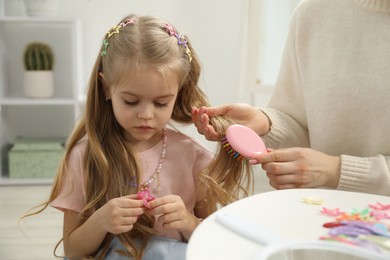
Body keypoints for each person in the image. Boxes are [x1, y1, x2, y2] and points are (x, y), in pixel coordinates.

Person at [22, 14, 253, 260]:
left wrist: (187, 222)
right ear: (106, 88)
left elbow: (211, 243)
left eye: (161, 102)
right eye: (131, 101)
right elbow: (73, 250)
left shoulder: (192, 156)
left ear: (178, 93)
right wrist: (101, 221)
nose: (146, 114)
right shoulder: (86, 157)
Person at [192, 0, 390, 196]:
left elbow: (328, 168)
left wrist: (337, 171)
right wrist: (266, 123)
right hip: (318, 212)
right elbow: (298, 121)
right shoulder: (313, 12)